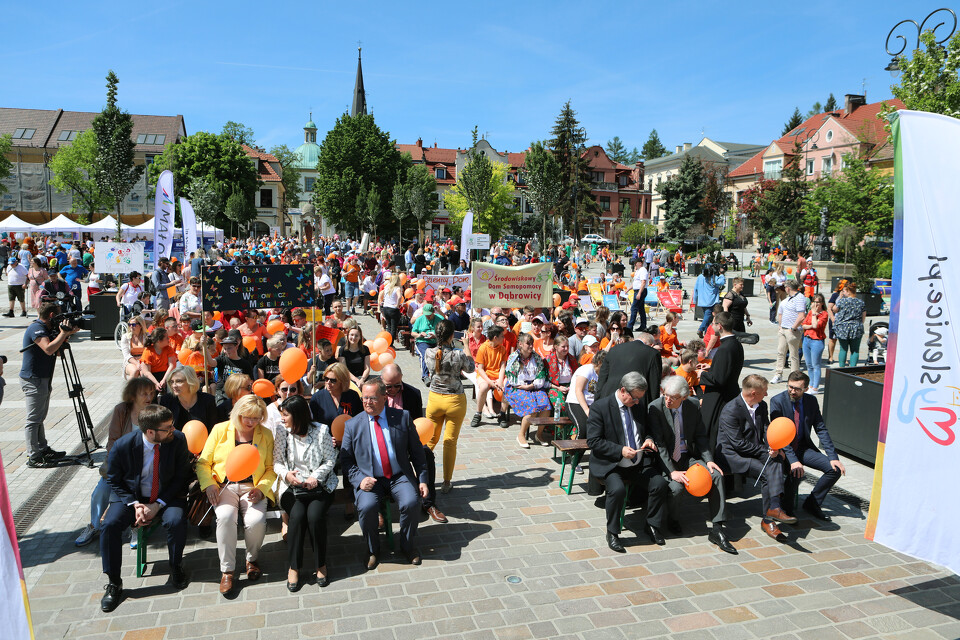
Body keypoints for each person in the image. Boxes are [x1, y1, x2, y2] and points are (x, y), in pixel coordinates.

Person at [98, 404, 191, 612]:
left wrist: (158, 505)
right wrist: (135, 503)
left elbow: (181, 476)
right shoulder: (123, 445)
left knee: (175, 521)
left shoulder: (177, 439)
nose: (172, 430)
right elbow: (112, 478)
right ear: (150, 432)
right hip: (131, 497)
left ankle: (176, 566)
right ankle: (114, 582)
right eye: (167, 427)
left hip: (167, 496)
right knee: (110, 525)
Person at [340, 379, 429, 569]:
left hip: (398, 475)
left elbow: (417, 452)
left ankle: (407, 545)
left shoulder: (402, 417)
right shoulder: (353, 425)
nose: (367, 402)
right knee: (366, 506)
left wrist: (422, 480)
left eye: (372, 398)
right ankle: (372, 549)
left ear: (384, 398)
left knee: (411, 502)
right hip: (369, 479)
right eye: (364, 398)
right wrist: (359, 479)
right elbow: (346, 461)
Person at [197, 394, 277, 596]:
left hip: (253, 487)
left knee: (257, 520)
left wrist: (261, 489)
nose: (251, 422)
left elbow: (270, 468)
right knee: (224, 517)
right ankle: (227, 571)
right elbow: (203, 463)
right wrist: (208, 485)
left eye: (256, 418)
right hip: (225, 486)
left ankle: (252, 559)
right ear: (238, 413)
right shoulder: (220, 430)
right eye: (246, 417)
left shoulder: (265, 434)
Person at [648, 376, 736, 554]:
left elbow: (700, 437)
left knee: (716, 475)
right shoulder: (655, 408)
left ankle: (718, 528)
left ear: (684, 397)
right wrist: (672, 472)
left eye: (672, 397)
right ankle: (672, 519)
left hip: (688, 457)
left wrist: (709, 460)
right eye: (665, 395)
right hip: (667, 461)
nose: (668, 400)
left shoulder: (693, 405)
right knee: (677, 488)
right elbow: (661, 445)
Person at [586, 372, 668, 552]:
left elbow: (646, 430)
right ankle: (613, 533)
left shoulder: (637, 406)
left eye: (640, 398)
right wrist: (620, 450)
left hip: (637, 463)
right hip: (612, 464)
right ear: (623, 391)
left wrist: (648, 439)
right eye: (635, 398)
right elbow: (593, 441)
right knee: (617, 490)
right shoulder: (601, 407)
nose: (637, 402)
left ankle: (652, 524)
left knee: (659, 484)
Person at [75, 377, 156, 547]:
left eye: (151, 393)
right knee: (101, 491)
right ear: (133, 396)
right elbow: (112, 441)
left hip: (145, 467)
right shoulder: (122, 411)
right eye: (144, 394)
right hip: (120, 464)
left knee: (138, 490)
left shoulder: (154, 412)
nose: (149, 397)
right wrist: (119, 464)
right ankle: (94, 525)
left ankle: (135, 527)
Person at [716, 374, 794, 542]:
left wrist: (773, 446)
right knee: (767, 472)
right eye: (764, 391)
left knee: (777, 460)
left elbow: (766, 428)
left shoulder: (761, 405)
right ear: (753, 393)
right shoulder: (731, 410)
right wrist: (765, 451)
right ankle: (770, 517)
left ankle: (773, 511)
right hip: (732, 455)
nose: (766, 395)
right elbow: (737, 444)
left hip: (752, 451)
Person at [273, 395, 338, 591]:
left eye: (286, 415)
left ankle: (321, 564)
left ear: (298, 415)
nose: (282, 419)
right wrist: (287, 475)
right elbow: (276, 462)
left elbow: (330, 460)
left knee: (314, 517)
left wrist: (315, 478)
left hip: (320, 486)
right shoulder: (282, 432)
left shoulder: (321, 431)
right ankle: (294, 566)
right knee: (297, 517)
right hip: (292, 488)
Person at [770, 372, 845, 521]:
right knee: (796, 472)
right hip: (784, 450)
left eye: (797, 388)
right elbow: (779, 435)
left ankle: (812, 503)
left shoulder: (811, 401)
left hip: (803, 448)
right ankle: (787, 510)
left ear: (805, 388)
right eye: (790, 387)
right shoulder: (777, 401)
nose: (792, 391)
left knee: (834, 470)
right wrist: (792, 460)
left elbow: (821, 429)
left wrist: (833, 457)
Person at [20, 301, 76, 467]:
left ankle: (43, 449)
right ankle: (34, 456)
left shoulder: (46, 329)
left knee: (40, 417)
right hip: (33, 378)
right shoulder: (36, 328)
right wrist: (62, 334)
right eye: (58, 315)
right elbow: (49, 349)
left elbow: (57, 351)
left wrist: (65, 335)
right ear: (51, 315)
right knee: (33, 419)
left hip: (43, 377)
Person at [424, 320, 475, 498]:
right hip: (455, 400)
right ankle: (446, 482)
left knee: (430, 440)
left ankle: (421, 477)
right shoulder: (458, 354)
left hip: (435, 398)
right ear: (452, 336)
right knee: (449, 442)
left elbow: (430, 369)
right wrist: (467, 345)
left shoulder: (429, 352)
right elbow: (471, 367)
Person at [698, 312, 744, 451]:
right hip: (730, 392)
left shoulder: (724, 348)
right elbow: (727, 368)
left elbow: (719, 379)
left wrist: (701, 374)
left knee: (712, 429)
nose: (711, 326)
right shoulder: (735, 343)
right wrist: (711, 367)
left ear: (720, 326)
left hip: (719, 397)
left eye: (713, 323)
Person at [504, 333, 552, 448]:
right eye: (528, 344)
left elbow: (541, 375)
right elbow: (511, 377)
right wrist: (524, 386)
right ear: (520, 344)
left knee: (546, 405)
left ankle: (539, 434)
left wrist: (532, 386)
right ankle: (521, 434)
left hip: (534, 386)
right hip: (516, 387)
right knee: (531, 407)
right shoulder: (514, 357)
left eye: (532, 344)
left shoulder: (537, 358)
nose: (531, 346)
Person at [595, 326, 662, 405]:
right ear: (651, 345)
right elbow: (654, 384)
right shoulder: (653, 353)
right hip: (636, 401)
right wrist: (653, 407)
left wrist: (597, 401)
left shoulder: (614, 349)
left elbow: (602, 378)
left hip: (609, 398)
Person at [158, 366, 218, 432]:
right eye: (172, 382)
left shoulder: (208, 400)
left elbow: (214, 429)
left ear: (190, 381)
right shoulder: (166, 401)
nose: (174, 385)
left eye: (179, 381)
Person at [470, 326, 508, 428]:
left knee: (507, 387)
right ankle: (478, 413)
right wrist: (490, 382)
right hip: (485, 375)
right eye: (502, 336)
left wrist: (500, 381)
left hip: (498, 375)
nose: (503, 338)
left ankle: (502, 414)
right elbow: (480, 369)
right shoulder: (483, 348)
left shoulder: (502, 349)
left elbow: (503, 366)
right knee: (484, 387)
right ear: (495, 337)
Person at [770, 280, 807, 384]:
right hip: (783, 329)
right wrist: (780, 327)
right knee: (780, 352)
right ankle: (778, 374)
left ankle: (794, 376)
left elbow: (801, 315)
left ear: (788, 288)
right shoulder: (787, 300)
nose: (784, 289)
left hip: (792, 331)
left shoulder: (799, 298)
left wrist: (793, 327)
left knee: (793, 355)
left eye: (785, 287)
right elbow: (781, 313)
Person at [800, 294, 828, 393]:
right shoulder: (811, 312)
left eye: (818, 302)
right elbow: (803, 325)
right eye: (814, 302)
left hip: (817, 341)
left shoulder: (824, 314)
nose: (815, 304)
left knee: (816, 364)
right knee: (809, 364)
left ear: (822, 303)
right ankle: (810, 385)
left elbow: (816, 326)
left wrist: (814, 315)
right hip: (807, 339)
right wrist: (811, 323)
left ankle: (815, 387)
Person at [833, 284, 866, 367]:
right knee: (855, 350)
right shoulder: (861, 302)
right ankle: (853, 369)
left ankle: (841, 368)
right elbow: (863, 318)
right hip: (856, 327)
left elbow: (834, 309)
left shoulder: (842, 301)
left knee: (843, 349)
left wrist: (840, 298)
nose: (843, 293)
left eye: (844, 291)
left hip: (842, 328)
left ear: (848, 291)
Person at [411, 302, 442, 382]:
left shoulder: (440, 319)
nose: (428, 316)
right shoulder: (420, 319)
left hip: (436, 341)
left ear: (433, 312)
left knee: (442, 353)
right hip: (422, 340)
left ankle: (440, 375)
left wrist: (436, 335)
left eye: (430, 314)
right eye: (426, 314)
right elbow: (413, 333)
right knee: (425, 354)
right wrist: (419, 335)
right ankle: (425, 376)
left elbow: (444, 332)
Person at [139, 328, 178, 393]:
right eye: (167, 338)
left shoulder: (169, 349)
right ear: (159, 341)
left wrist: (164, 380)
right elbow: (146, 372)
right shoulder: (148, 351)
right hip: (152, 376)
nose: (169, 340)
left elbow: (172, 365)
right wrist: (156, 383)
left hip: (165, 374)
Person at [693, 265, 725, 339]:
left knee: (706, 317)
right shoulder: (713, 277)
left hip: (701, 300)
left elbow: (695, 288)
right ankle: (701, 329)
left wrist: (695, 299)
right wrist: (722, 274)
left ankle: (707, 333)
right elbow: (721, 282)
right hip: (710, 300)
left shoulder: (700, 277)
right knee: (707, 316)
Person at [120, 315, 148, 380]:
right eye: (130, 324)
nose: (131, 327)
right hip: (130, 361)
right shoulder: (125, 337)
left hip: (144, 360)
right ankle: (129, 389)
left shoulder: (146, 337)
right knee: (135, 371)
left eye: (134, 324)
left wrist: (142, 363)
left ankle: (144, 390)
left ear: (141, 325)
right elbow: (126, 355)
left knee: (143, 373)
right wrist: (137, 363)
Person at [379, 273, 403, 341]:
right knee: (393, 328)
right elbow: (399, 296)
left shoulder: (387, 287)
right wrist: (397, 305)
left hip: (386, 307)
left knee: (389, 327)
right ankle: (391, 343)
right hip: (393, 308)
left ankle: (388, 342)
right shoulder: (397, 288)